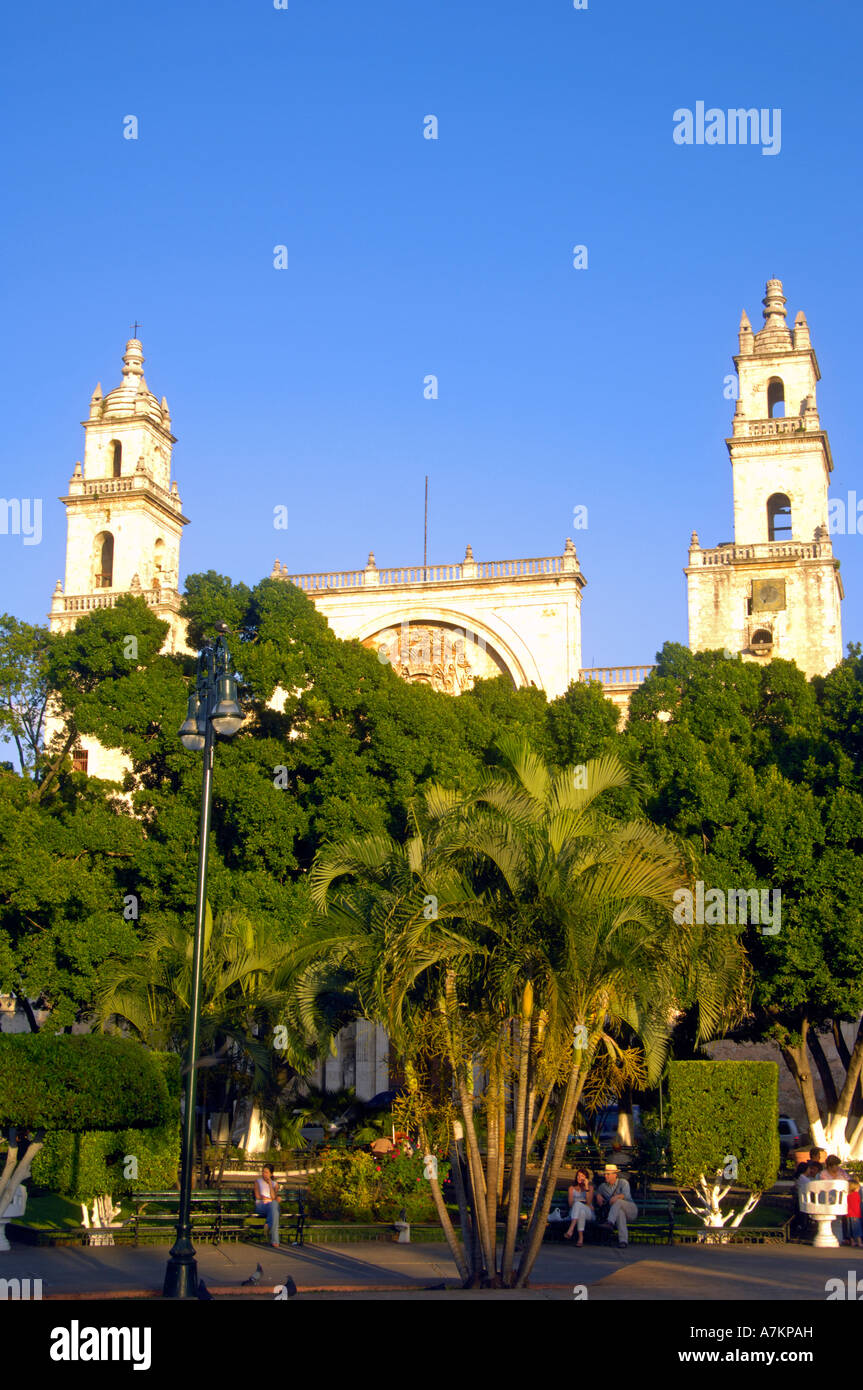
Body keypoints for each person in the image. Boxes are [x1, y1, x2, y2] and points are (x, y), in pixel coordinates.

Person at [596, 1162, 638, 1248]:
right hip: (617, 1212)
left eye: (608, 1174)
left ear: (615, 1175)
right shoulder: (603, 1187)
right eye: (605, 1174)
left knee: (618, 1202)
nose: (605, 1176)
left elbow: (625, 1195)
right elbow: (595, 1191)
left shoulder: (623, 1183)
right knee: (619, 1213)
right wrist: (598, 1195)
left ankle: (610, 1222)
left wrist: (617, 1197)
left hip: (630, 1209)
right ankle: (623, 1241)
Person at [564, 1169, 595, 1246]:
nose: (579, 1177)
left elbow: (588, 1202)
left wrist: (586, 1186)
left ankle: (571, 1229)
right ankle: (580, 1239)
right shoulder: (571, 1188)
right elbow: (571, 1204)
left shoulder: (590, 1188)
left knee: (578, 1205)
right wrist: (581, 1203)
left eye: (581, 1176)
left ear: (586, 1178)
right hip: (574, 1212)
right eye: (578, 1175)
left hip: (589, 1212)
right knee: (581, 1212)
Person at [254, 1163, 280, 1248]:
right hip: (261, 1205)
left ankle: (269, 1225)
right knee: (275, 1206)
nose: (264, 1174)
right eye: (263, 1172)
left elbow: (273, 1197)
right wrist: (264, 1198)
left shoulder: (275, 1184)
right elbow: (257, 1195)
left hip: (271, 1206)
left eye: (266, 1172)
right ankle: (274, 1239)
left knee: (274, 1207)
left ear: (271, 1174)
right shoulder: (258, 1182)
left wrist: (269, 1184)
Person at [847, 1177, 862, 1248]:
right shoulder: (856, 1195)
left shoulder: (848, 1195)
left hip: (848, 1214)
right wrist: (857, 1215)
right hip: (855, 1215)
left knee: (850, 1229)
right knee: (857, 1229)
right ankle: (859, 1242)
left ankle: (852, 1242)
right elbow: (856, 1206)